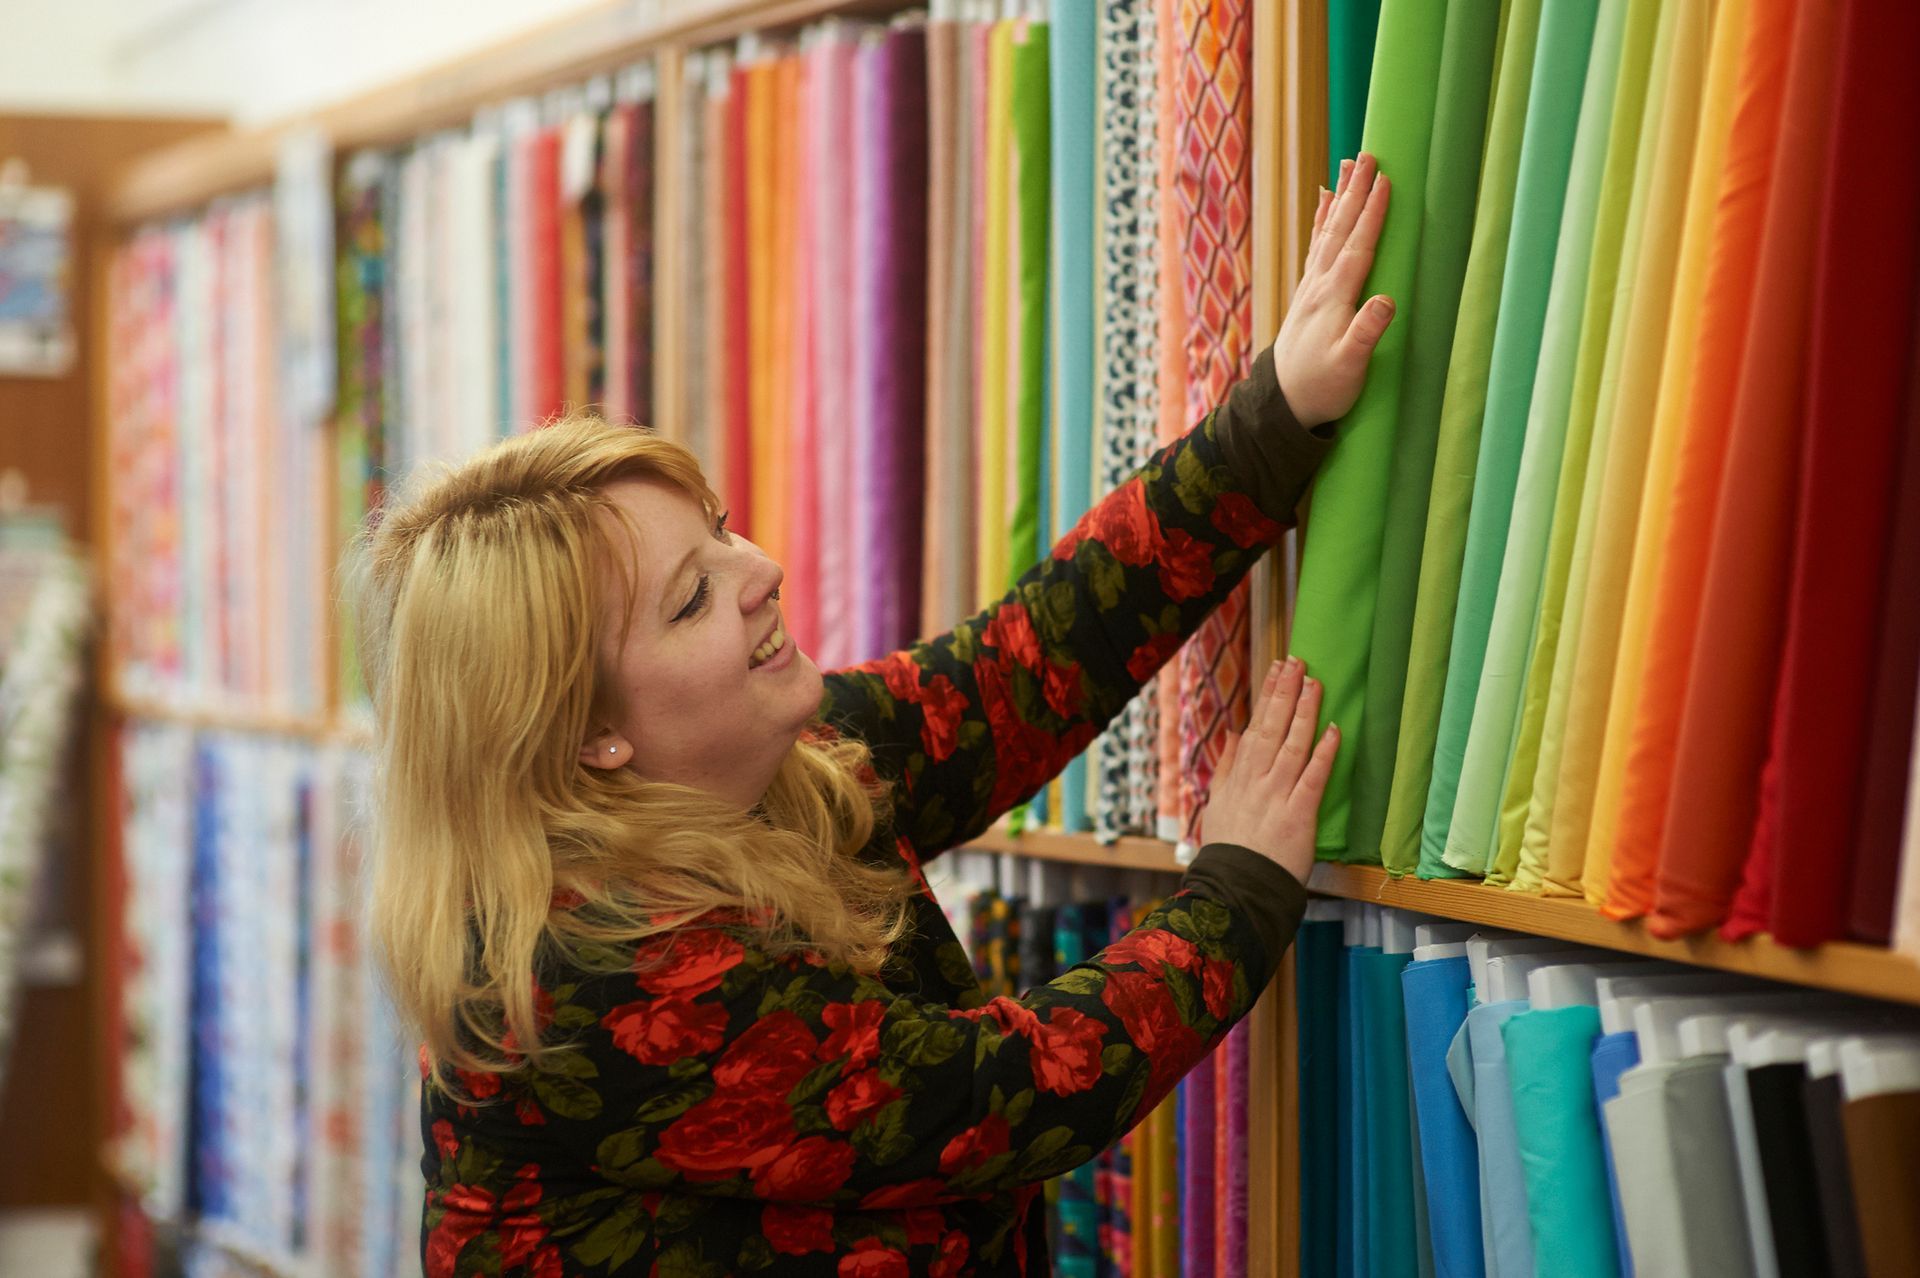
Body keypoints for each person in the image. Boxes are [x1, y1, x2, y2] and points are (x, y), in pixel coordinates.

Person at [356, 155, 1393, 1275]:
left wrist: (1274, 418)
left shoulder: (775, 760)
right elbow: (1001, 1097)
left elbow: (1022, 668)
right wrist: (1235, 889)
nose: (759, 570)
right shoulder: (591, 973)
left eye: (718, 528)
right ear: (586, 736)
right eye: (692, 595)